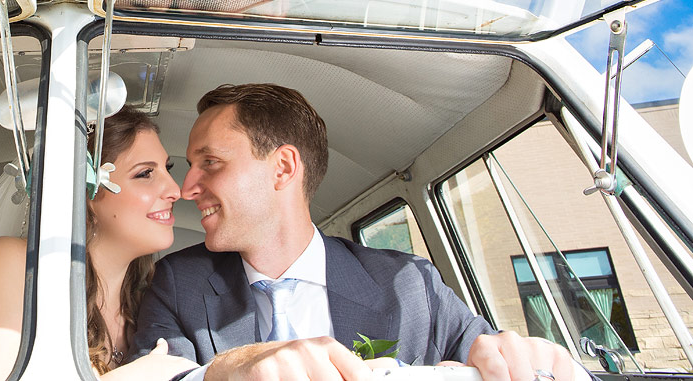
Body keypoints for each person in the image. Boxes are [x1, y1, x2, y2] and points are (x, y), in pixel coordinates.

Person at [130, 83, 584, 381]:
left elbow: (481, 353)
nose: (187, 188)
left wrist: (512, 356)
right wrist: (230, 369)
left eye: (209, 163)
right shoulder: (177, 285)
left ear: (284, 167)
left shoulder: (410, 285)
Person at [0, 107, 198, 380]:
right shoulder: (11, 265)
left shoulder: (154, 297)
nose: (174, 190)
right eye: (145, 173)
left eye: (167, 169)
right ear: (83, 193)